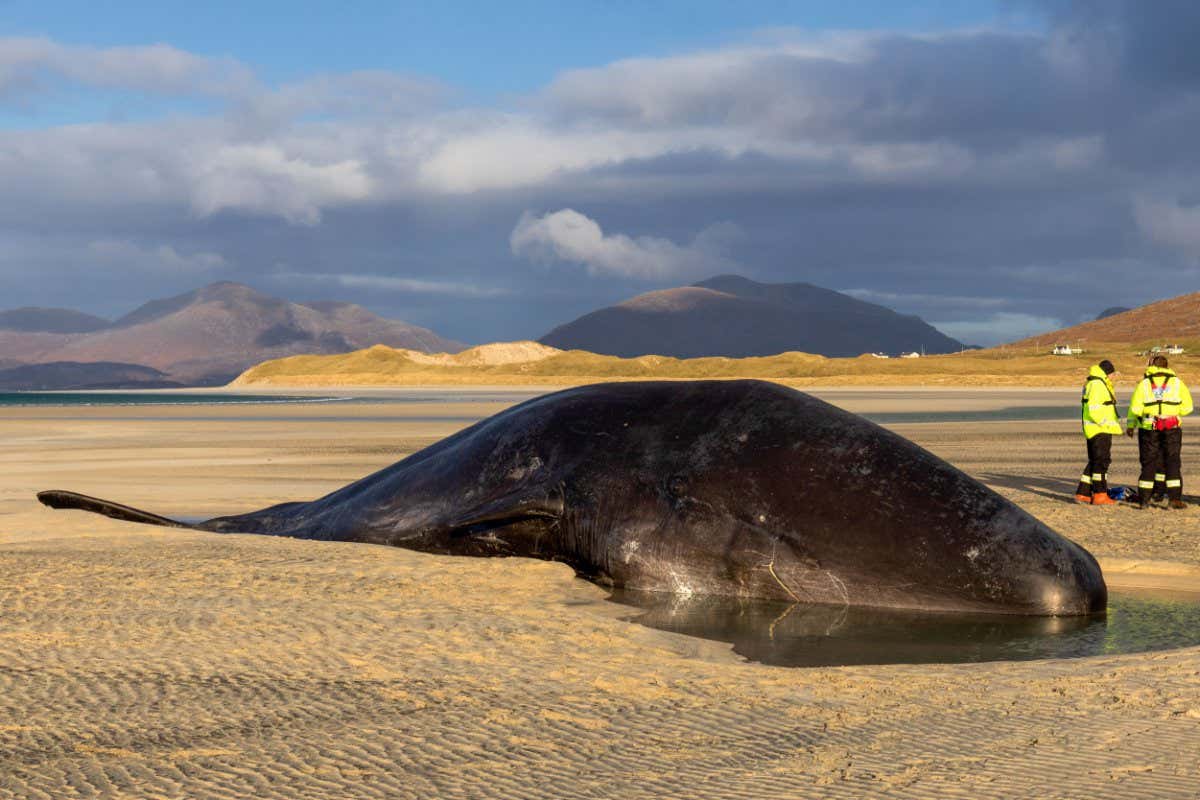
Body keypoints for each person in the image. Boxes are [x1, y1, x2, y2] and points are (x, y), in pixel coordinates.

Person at [1126, 355, 1193, 509]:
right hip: (1172, 427)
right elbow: (1188, 407)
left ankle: (1144, 500)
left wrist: (1132, 425)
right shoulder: (1177, 383)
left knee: (1148, 462)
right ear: (1167, 366)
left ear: (1152, 366)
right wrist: (1174, 413)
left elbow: (1135, 408)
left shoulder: (1144, 384)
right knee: (1172, 461)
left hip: (1149, 428)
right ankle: (1174, 499)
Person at [1075, 359, 1121, 505]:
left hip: (1094, 429)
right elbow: (1094, 410)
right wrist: (1105, 424)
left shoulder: (1094, 382)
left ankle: (1083, 493)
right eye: (1113, 374)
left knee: (1095, 461)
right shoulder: (1097, 385)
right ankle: (1100, 494)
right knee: (1102, 462)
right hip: (1099, 429)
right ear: (1108, 373)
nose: (1114, 377)